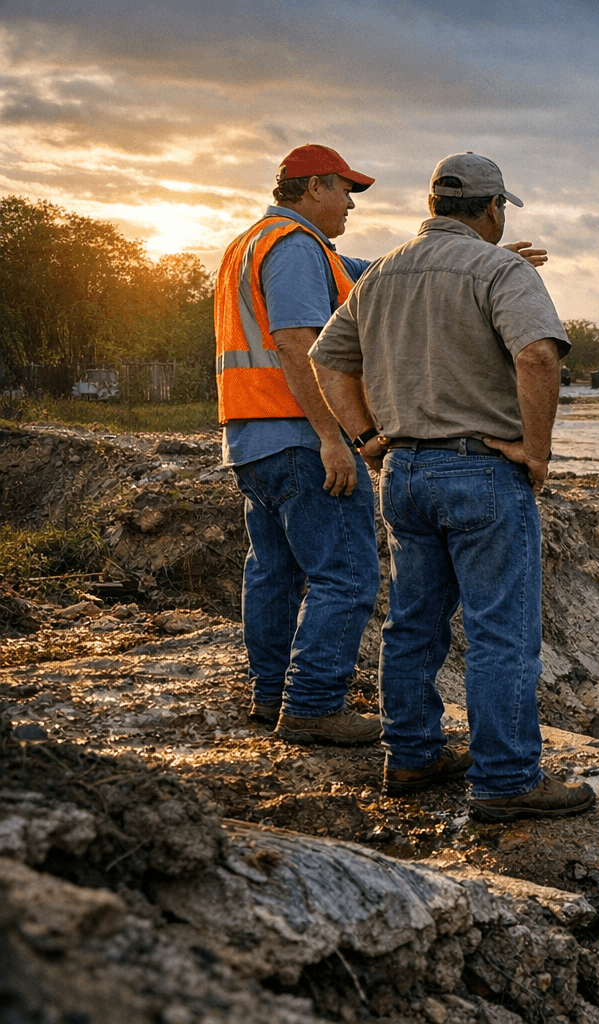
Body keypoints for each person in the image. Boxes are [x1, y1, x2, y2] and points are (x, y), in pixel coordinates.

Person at [311, 152, 595, 820]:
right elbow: (536, 354)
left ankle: (411, 754)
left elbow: (328, 358)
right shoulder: (501, 268)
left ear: (434, 204)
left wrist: (367, 439)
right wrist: (536, 449)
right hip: (481, 473)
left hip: (404, 472)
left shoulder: (380, 272)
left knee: (413, 623)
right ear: (493, 208)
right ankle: (505, 781)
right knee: (501, 634)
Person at [214, 144, 384, 746]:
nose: (350, 204)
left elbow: (370, 271)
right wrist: (331, 438)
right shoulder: (296, 248)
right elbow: (295, 343)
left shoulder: (253, 242)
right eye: (345, 190)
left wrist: (462, 254)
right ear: (314, 188)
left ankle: (270, 698)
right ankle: (311, 706)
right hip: (298, 438)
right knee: (347, 573)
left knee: (274, 573)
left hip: (251, 437)